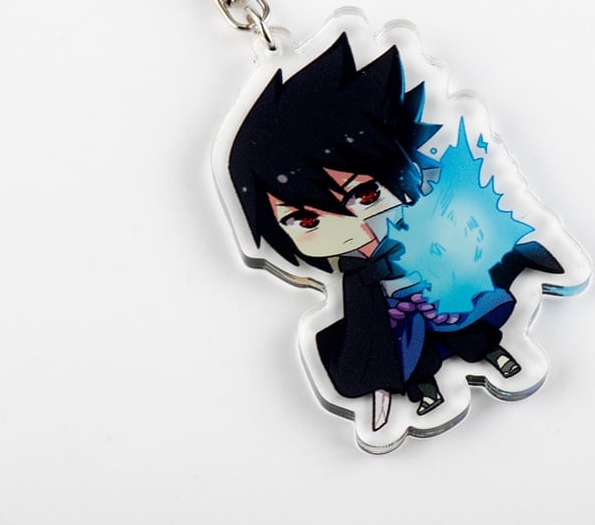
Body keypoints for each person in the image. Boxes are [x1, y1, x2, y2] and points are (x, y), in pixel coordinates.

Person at [228, 33, 563, 429]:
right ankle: (426, 392)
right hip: (400, 327)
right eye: (306, 221)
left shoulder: (429, 223)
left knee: (466, 322)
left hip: (449, 297)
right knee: (410, 352)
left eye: (366, 193)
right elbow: (366, 327)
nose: (350, 221)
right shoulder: (356, 275)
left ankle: (496, 355)